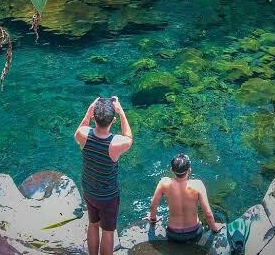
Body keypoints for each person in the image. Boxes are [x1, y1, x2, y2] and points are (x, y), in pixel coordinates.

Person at [74, 97, 133, 255]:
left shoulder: (83, 135)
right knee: (108, 232)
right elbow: (129, 138)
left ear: (94, 117)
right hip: (108, 197)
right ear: (112, 120)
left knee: (93, 224)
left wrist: (88, 112)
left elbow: (79, 131)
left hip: (89, 191)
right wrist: (121, 113)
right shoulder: (115, 144)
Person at [146, 153, 223, 243]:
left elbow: (153, 206)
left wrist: (153, 219)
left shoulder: (164, 183)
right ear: (189, 170)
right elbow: (208, 214)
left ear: (171, 170)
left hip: (173, 234)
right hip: (194, 233)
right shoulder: (198, 184)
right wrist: (214, 229)